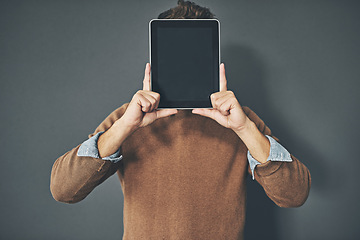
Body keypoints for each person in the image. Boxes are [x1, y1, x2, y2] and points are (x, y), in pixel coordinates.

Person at [50, 1, 311, 239]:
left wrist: (244, 129)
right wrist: (125, 127)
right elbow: (63, 190)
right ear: (155, 62)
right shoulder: (127, 118)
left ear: (212, 61)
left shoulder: (240, 120)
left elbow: (295, 195)